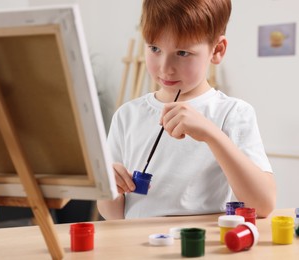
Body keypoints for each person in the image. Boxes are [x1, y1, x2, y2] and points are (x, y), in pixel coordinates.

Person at [97, 0, 276, 219]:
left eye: (182, 53)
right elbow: (113, 216)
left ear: (217, 50)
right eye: (154, 48)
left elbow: (264, 204)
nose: (165, 68)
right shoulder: (127, 116)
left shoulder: (233, 113)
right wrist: (111, 189)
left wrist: (212, 135)